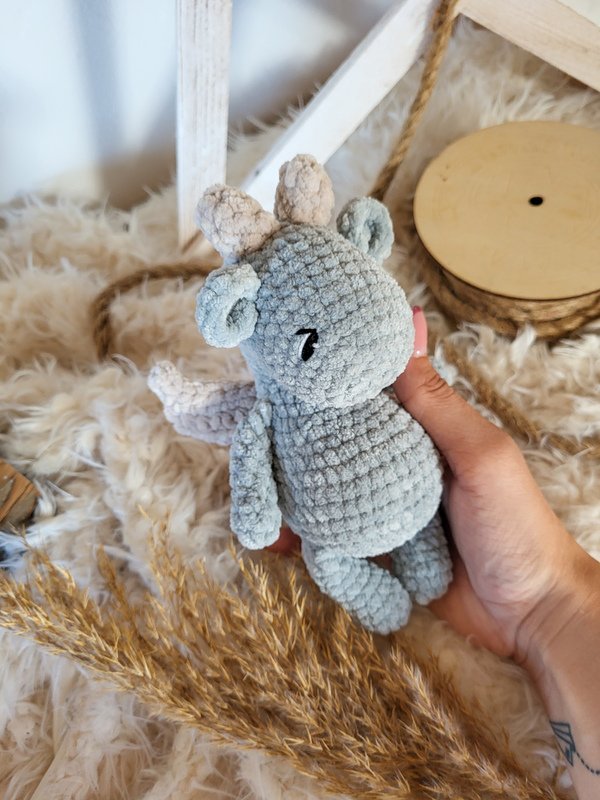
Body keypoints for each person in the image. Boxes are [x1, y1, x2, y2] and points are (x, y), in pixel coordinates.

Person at [270, 307, 600, 800]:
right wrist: (544, 605)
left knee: (390, 556)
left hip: (420, 515)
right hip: (357, 532)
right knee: (330, 557)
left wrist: (547, 606)